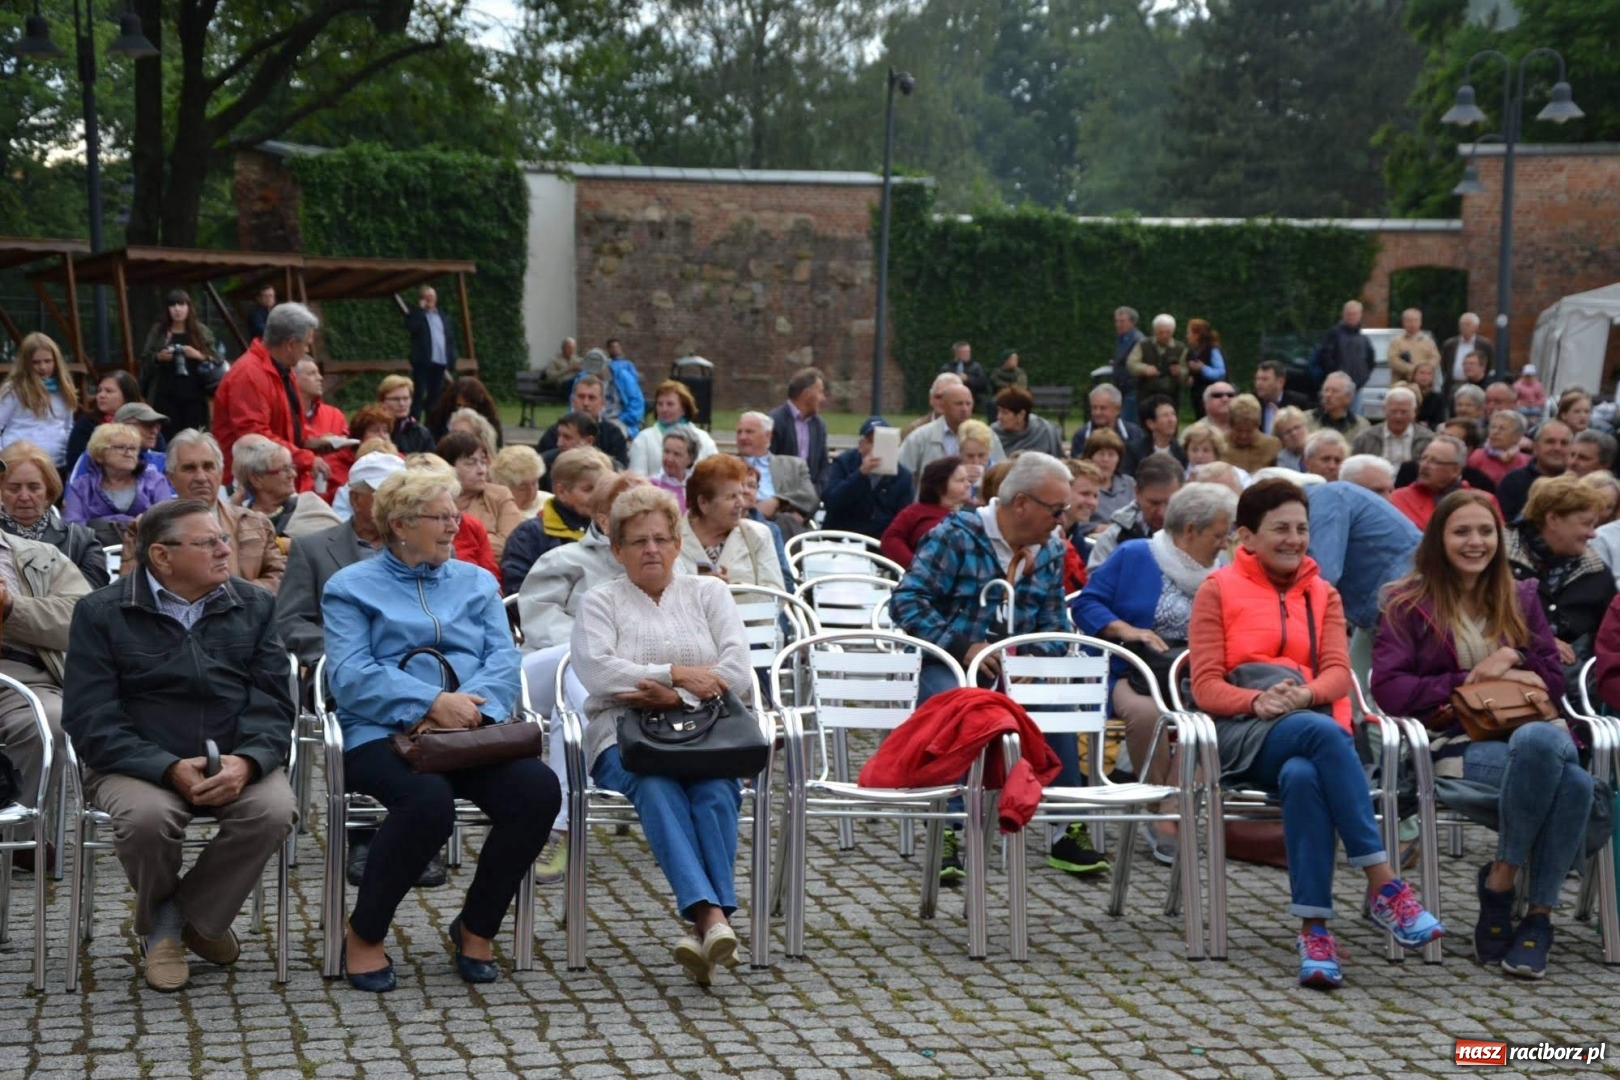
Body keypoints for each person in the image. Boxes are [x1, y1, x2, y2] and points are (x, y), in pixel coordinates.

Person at [1188, 479, 1442, 988]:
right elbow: (1205, 686)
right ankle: (1383, 883)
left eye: (1302, 528)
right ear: (1247, 537)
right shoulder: (1218, 588)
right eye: (1280, 528)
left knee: (1304, 776)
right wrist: (1256, 701)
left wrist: (1302, 695)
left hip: (1308, 730)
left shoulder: (1322, 592)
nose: (1295, 539)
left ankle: (1314, 932)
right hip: (1243, 734)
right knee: (1321, 734)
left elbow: (1337, 674)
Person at [323, 468, 559, 991]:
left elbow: (503, 657)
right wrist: (428, 703)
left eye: (457, 514)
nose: (456, 525)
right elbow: (351, 674)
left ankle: (477, 926)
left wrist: (468, 711)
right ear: (401, 525)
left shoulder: (477, 581)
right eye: (442, 517)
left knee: (538, 790)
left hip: (470, 730)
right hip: (380, 733)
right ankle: (365, 932)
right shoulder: (350, 587)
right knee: (428, 802)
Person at [62, 499, 298, 992]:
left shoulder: (253, 604)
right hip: (135, 762)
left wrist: (247, 762)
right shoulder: (102, 612)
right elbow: (90, 718)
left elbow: (275, 703)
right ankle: (174, 929)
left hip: (232, 757)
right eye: (208, 542)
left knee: (273, 811)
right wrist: (167, 767)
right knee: (147, 819)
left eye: (222, 539)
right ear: (162, 556)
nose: (224, 550)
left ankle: (182, 922)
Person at [1373, 490, 1587, 979]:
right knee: (1573, 782)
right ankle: (1537, 917)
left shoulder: (1521, 597)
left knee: (1540, 743)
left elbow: (1553, 683)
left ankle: (1502, 885)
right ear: (1438, 539)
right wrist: (1472, 682)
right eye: (1462, 532)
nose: (1476, 542)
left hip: (1536, 735)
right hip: (1454, 742)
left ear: (1499, 538)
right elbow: (1390, 689)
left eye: (1486, 531)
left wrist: (1512, 656)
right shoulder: (1408, 603)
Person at [571, 485, 753, 984]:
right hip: (625, 739)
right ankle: (712, 917)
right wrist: (676, 672)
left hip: (707, 737)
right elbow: (599, 672)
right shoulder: (599, 602)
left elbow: (738, 671)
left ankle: (705, 928)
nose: (651, 549)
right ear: (617, 550)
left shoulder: (709, 593)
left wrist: (675, 697)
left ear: (677, 544)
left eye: (660, 539)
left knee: (717, 788)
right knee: (655, 785)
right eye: (638, 541)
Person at [890, 453, 1090, 876]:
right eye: (1056, 510)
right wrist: (962, 646)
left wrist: (1037, 657)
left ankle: (1066, 827)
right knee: (955, 704)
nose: (1062, 521)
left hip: (1016, 669)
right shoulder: (956, 535)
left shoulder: (1051, 549)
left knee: (1057, 699)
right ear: (1021, 504)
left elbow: (1057, 623)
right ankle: (946, 826)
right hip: (951, 662)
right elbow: (907, 602)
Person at [1074, 482, 1237, 864]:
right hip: (1133, 668)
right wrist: (1127, 630)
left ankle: (1168, 808)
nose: (1223, 544)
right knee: (1146, 714)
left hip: (1196, 675)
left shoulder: (1225, 571)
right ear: (1190, 530)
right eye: (1218, 535)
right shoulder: (1135, 554)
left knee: (1213, 718)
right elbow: (1086, 604)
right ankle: (1161, 806)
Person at [517, 472, 647, 885]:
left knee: (573, 699)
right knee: (578, 660)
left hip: (613, 684)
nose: (646, 523)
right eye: (634, 512)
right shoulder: (564, 559)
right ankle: (574, 809)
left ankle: (561, 827)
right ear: (605, 519)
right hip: (542, 674)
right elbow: (537, 621)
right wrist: (598, 650)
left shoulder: (656, 564)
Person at [1505, 475, 1613, 678]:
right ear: (1553, 519)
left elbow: (1610, 639)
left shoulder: (1596, 572)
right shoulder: (1495, 563)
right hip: (1504, 681)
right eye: (1586, 524)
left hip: (1576, 685)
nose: (1593, 534)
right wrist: (1535, 642)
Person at [213, 302, 326, 492]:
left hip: (272, 481)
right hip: (247, 487)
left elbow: (287, 424)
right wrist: (305, 458)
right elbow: (255, 439)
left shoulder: (282, 369)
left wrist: (313, 439)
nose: (307, 350)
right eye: (306, 344)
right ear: (291, 344)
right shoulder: (249, 374)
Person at [499, 448, 613, 595]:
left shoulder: (610, 529)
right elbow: (519, 590)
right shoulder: (529, 535)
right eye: (588, 489)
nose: (597, 497)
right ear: (562, 492)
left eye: (600, 489)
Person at [0, 442, 108, 588]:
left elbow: (92, 595)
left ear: (49, 490)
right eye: (14, 489)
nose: (24, 497)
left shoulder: (80, 540)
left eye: (34, 488)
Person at [677, 454, 783, 589]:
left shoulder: (758, 535)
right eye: (732, 497)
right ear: (703, 503)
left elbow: (775, 595)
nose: (741, 503)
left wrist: (730, 590)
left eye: (740, 494)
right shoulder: (669, 539)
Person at [64, 423, 175, 545]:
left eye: (133, 448)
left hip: (145, 549)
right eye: (121, 447)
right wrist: (121, 522)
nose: (129, 453)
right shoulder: (81, 486)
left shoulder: (155, 480)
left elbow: (167, 520)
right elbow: (72, 527)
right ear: (100, 455)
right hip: (95, 550)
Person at [231, 433, 343, 544]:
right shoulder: (240, 518)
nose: (293, 474)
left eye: (292, 467)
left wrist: (290, 546)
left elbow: (339, 543)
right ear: (256, 479)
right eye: (284, 469)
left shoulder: (310, 505)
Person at [140, 289, 217, 439]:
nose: (177, 309)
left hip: (195, 396)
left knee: (195, 438)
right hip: (164, 396)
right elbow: (145, 360)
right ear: (167, 309)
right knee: (166, 438)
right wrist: (158, 357)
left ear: (188, 307)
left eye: (181, 304)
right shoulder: (159, 331)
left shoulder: (200, 331)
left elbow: (217, 360)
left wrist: (198, 355)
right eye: (173, 305)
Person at [821, 416, 914, 539]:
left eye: (884, 442)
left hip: (880, 541)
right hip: (841, 537)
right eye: (871, 442)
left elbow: (903, 521)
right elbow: (831, 503)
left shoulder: (903, 476)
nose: (877, 448)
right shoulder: (844, 463)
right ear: (861, 445)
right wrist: (860, 474)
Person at [1087, 453, 1185, 570]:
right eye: (1154, 503)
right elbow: (1097, 579)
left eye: (1170, 502)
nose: (1162, 513)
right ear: (1137, 492)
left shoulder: (1197, 533)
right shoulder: (1115, 538)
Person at [436, 432, 522, 562]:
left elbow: (512, 545)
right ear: (447, 467)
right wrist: (486, 539)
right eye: (471, 463)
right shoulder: (434, 499)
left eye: (483, 462)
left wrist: (463, 544)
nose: (482, 470)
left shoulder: (500, 495)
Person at [734, 412, 819, 540]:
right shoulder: (726, 465)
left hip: (782, 522)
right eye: (739, 432)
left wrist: (778, 502)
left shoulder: (794, 465)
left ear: (768, 436)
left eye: (749, 432)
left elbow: (810, 497)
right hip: (741, 521)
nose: (742, 437)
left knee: (786, 520)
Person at [1390, 434, 1501, 531]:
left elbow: (1500, 540)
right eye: (1423, 458)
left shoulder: (1483, 502)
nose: (1424, 465)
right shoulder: (1397, 499)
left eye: (1434, 461)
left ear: (1455, 470)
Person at [0, 333, 76, 467]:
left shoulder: (64, 388)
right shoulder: (14, 389)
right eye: (35, 362)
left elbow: (67, 426)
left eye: (48, 361)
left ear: (56, 361)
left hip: (57, 463)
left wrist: (67, 455)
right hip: (19, 464)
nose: (42, 367)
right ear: (26, 364)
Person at [880, 457, 971, 567]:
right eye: (961, 480)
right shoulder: (915, 511)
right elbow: (890, 539)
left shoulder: (972, 516)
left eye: (968, 480)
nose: (968, 485)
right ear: (940, 485)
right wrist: (916, 565)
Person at [628, 380, 717, 477]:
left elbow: (715, 475)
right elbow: (637, 478)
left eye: (670, 404)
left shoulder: (703, 439)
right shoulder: (643, 439)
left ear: (683, 408)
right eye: (660, 404)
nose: (664, 409)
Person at [537, 374, 630, 467]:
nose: (586, 403)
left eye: (591, 398)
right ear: (573, 400)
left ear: (602, 402)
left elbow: (621, 470)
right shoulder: (554, 433)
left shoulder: (613, 434)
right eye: (581, 397)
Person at [65, 370, 146, 477]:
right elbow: (75, 461)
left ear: (127, 395)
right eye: (99, 391)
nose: (101, 395)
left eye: (109, 391)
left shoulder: (144, 421)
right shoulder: (87, 423)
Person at [293, 358, 350, 495]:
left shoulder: (335, 415)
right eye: (311, 373)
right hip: (293, 491)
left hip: (332, 492)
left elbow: (347, 456)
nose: (320, 378)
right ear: (293, 378)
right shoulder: (284, 415)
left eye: (318, 373)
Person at [768, 367, 830, 492]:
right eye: (820, 392)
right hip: (778, 496)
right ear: (807, 394)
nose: (823, 398)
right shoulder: (774, 421)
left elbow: (823, 466)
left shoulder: (819, 425)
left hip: (810, 497)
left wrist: (814, 493)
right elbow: (766, 464)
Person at [1497, 421, 1572, 524]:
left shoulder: (1579, 483)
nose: (1557, 448)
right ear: (1535, 447)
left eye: (1564, 443)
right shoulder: (1513, 482)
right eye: (1550, 442)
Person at [403, 284, 459, 421]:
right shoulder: (417, 315)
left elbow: (449, 339)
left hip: (440, 362)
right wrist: (420, 310)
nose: (430, 299)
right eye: (427, 296)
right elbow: (411, 328)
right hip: (422, 361)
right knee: (419, 394)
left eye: (432, 296)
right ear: (421, 299)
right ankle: (413, 424)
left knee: (435, 396)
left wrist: (452, 359)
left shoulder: (443, 317)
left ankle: (431, 424)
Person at [1350, 388, 1432, 468]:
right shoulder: (1365, 439)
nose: (1398, 416)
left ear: (1414, 412)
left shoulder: (1428, 440)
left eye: (1404, 412)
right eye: (1393, 411)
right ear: (1384, 410)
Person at [1316, 301, 1375, 410]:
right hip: (1336, 389)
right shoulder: (1333, 334)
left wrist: (1363, 379)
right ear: (1343, 314)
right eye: (1349, 313)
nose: (1352, 317)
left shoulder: (1364, 339)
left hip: (1357, 389)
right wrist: (1336, 378)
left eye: (1354, 314)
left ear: (1360, 315)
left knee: (1355, 418)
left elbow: (1370, 361)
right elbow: (1325, 358)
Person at [1125, 314, 1188, 408]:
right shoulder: (1143, 344)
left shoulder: (1181, 348)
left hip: (1171, 396)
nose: (1164, 335)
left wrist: (1180, 372)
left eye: (1168, 332)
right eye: (1160, 332)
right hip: (1145, 395)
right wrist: (1144, 369)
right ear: (1154, 331)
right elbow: (1131, 363)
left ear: (1173, 331)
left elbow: (1186, 370)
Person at [587, 338, 646, 437]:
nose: (595, 372)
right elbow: (575, 403)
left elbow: (637, 402)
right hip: (594, 420)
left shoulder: (623, 376)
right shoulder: (586, 379)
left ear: (605, 363)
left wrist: (623, 419)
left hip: (619, 420)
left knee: (611, 436)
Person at [426, 376, 504, 449]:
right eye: (459, 406)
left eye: (469, 407)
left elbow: (496, 447)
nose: (464, 411)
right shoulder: (437, 419)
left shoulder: (491, 422)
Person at [1069, 384, 1143, 460]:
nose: (1097, 412)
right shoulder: (1082, 436)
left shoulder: (1133, 434)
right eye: (1094, 408)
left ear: (1117, 409)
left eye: (1103, 408)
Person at [1080, 429, 1135, 524]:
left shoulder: (1129, 483)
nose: (1105, 459)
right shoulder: (1080, 484)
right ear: (1089, 457)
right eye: (1100, 454)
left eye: (1111, 455)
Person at [992, 387, 1062, 457]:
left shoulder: (1043, 431)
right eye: (999, 411)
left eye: (1005, 412)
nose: (999, 417)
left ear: (1021, 414)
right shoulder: (993, 435)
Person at [375, 375, 437, 455]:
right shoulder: (372, 430)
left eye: (406, 398)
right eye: (395, 399)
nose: (402, 403)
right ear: (382, 402)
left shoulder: (421, 433)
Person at [1468, 411, 1531, 487]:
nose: (1495, 432)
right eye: (1493, 427)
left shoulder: (1527, 461)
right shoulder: (1477, 456)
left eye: (1502, 428)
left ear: (1517, 435)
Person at [1184, 319, 1228, 421]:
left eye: (1189, 333)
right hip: (1198, 397)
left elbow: (1221, 372)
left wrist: (1202, 368)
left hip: (1213, 397)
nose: (1187, 336)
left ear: (1197, 335)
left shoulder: (1213, 350)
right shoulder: (1193, 351)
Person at [1224, 394, 1281, 473]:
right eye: (1238, 430)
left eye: (1249, 431)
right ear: (1231, 425)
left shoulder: (1273, 445)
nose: (1243, 436)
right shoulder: (1220, 445)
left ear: (1258, 425)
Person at [491, 444, 549, 521]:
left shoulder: (550, 503)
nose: (531, 493)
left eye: (534, 483)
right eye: (522, 488)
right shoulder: (493, 513)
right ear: (503, 487)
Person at [1109, 306, 1146, 423]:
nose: (1118, 324)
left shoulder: (1138, 339)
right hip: (1121, 389)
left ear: (1132, 322)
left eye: (1122, 321)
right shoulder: (1122, 338)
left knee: (1127, 423)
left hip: (1132, 389)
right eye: (1117, 321)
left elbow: (1137, 363)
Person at [901, 373, 963, 442]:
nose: (943, 402)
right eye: (938, 397)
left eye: (949, 397)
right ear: (931, 399)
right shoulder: (913, 430)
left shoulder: (970, 432)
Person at [1252, 360, 1309, 434]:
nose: (1259, 383)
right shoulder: (1253, 402)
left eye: (1265, 379)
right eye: (1258, 379)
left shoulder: (1298, 402)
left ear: (1280, 382)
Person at [1308, 373, 1369, 441]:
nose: (1328, 395)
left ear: (1348, 397)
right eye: (1326, 390)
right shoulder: (1306, 420)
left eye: (1335, 391)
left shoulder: (1361, 426)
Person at [1132, 394, 1188, 467]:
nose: (1172, 420)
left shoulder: (1182, 451)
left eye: (1173, 414)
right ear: (1150, 424)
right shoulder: (1135, 451)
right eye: (1165, 415)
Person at [1387, 308, 1440, 384]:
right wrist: (1413, 370)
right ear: (1404, 322)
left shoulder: (1428, 342)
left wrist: (1424, 370)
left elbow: (1435, 358)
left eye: (1416, 320)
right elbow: (1393, 361)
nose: (1412, 324)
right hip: (1402, 384)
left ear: (1420, 322)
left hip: (1424, 385)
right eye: (1409, 321)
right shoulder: (1395, 342)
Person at [1442, 313, 1496, 386]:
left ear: (1476, 327)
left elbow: (1490, 364)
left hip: (1477, 384)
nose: (1464, 327)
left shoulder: (1485, 344)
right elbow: (1444, 364)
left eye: (1468, 324)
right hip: (1454, 384)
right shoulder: (1450, 344)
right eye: (1462, 324)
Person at [651, 428, 696, 512]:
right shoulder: (652, 486)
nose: (669, 459)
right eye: (666, 451)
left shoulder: (697, 486)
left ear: (690, 459)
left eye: (676, 454)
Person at [940, 340, 990, 414]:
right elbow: (942, 385)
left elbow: (983, 385)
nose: (967, 354)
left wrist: (968, 379)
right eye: (964, 352)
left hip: (973, 395)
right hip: (952, 396)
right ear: (956, 353)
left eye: (968, 351)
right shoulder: (947, 368)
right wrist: (954, 379)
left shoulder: (976, 367)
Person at [1411, 361, 1446, 431]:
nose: (1425, 376)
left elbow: (1439, 420)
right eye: (1422, 373)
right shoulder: (1407, 393)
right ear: (1414, 375)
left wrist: (1429, 425)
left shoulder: (1437, 398)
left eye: (1429, 374)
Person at [1273, 407, 1310, 472]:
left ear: (1306, 426)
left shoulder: (1321, 445)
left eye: (1297, 427)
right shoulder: (1283, 458)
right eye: (1287, 432)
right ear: (1281, 439)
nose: (1294, 434)